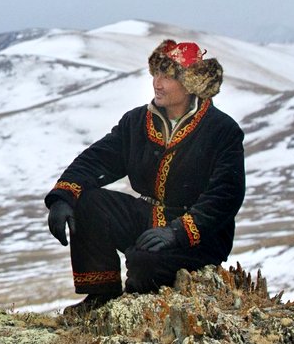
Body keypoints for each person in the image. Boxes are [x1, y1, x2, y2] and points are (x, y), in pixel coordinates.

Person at [44, 39, 245, 314]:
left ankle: (142, 310)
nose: (157, 84)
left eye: (168, 77)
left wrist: (176, 232)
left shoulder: (222, 130)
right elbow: (98, 158)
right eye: (156, 74)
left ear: (191, 84)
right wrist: (63, 197)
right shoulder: (137, 122)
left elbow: (226, 196)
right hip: (150, 218)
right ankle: (101, 296)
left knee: (143, 262)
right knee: (87, 202)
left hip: (200, 235)